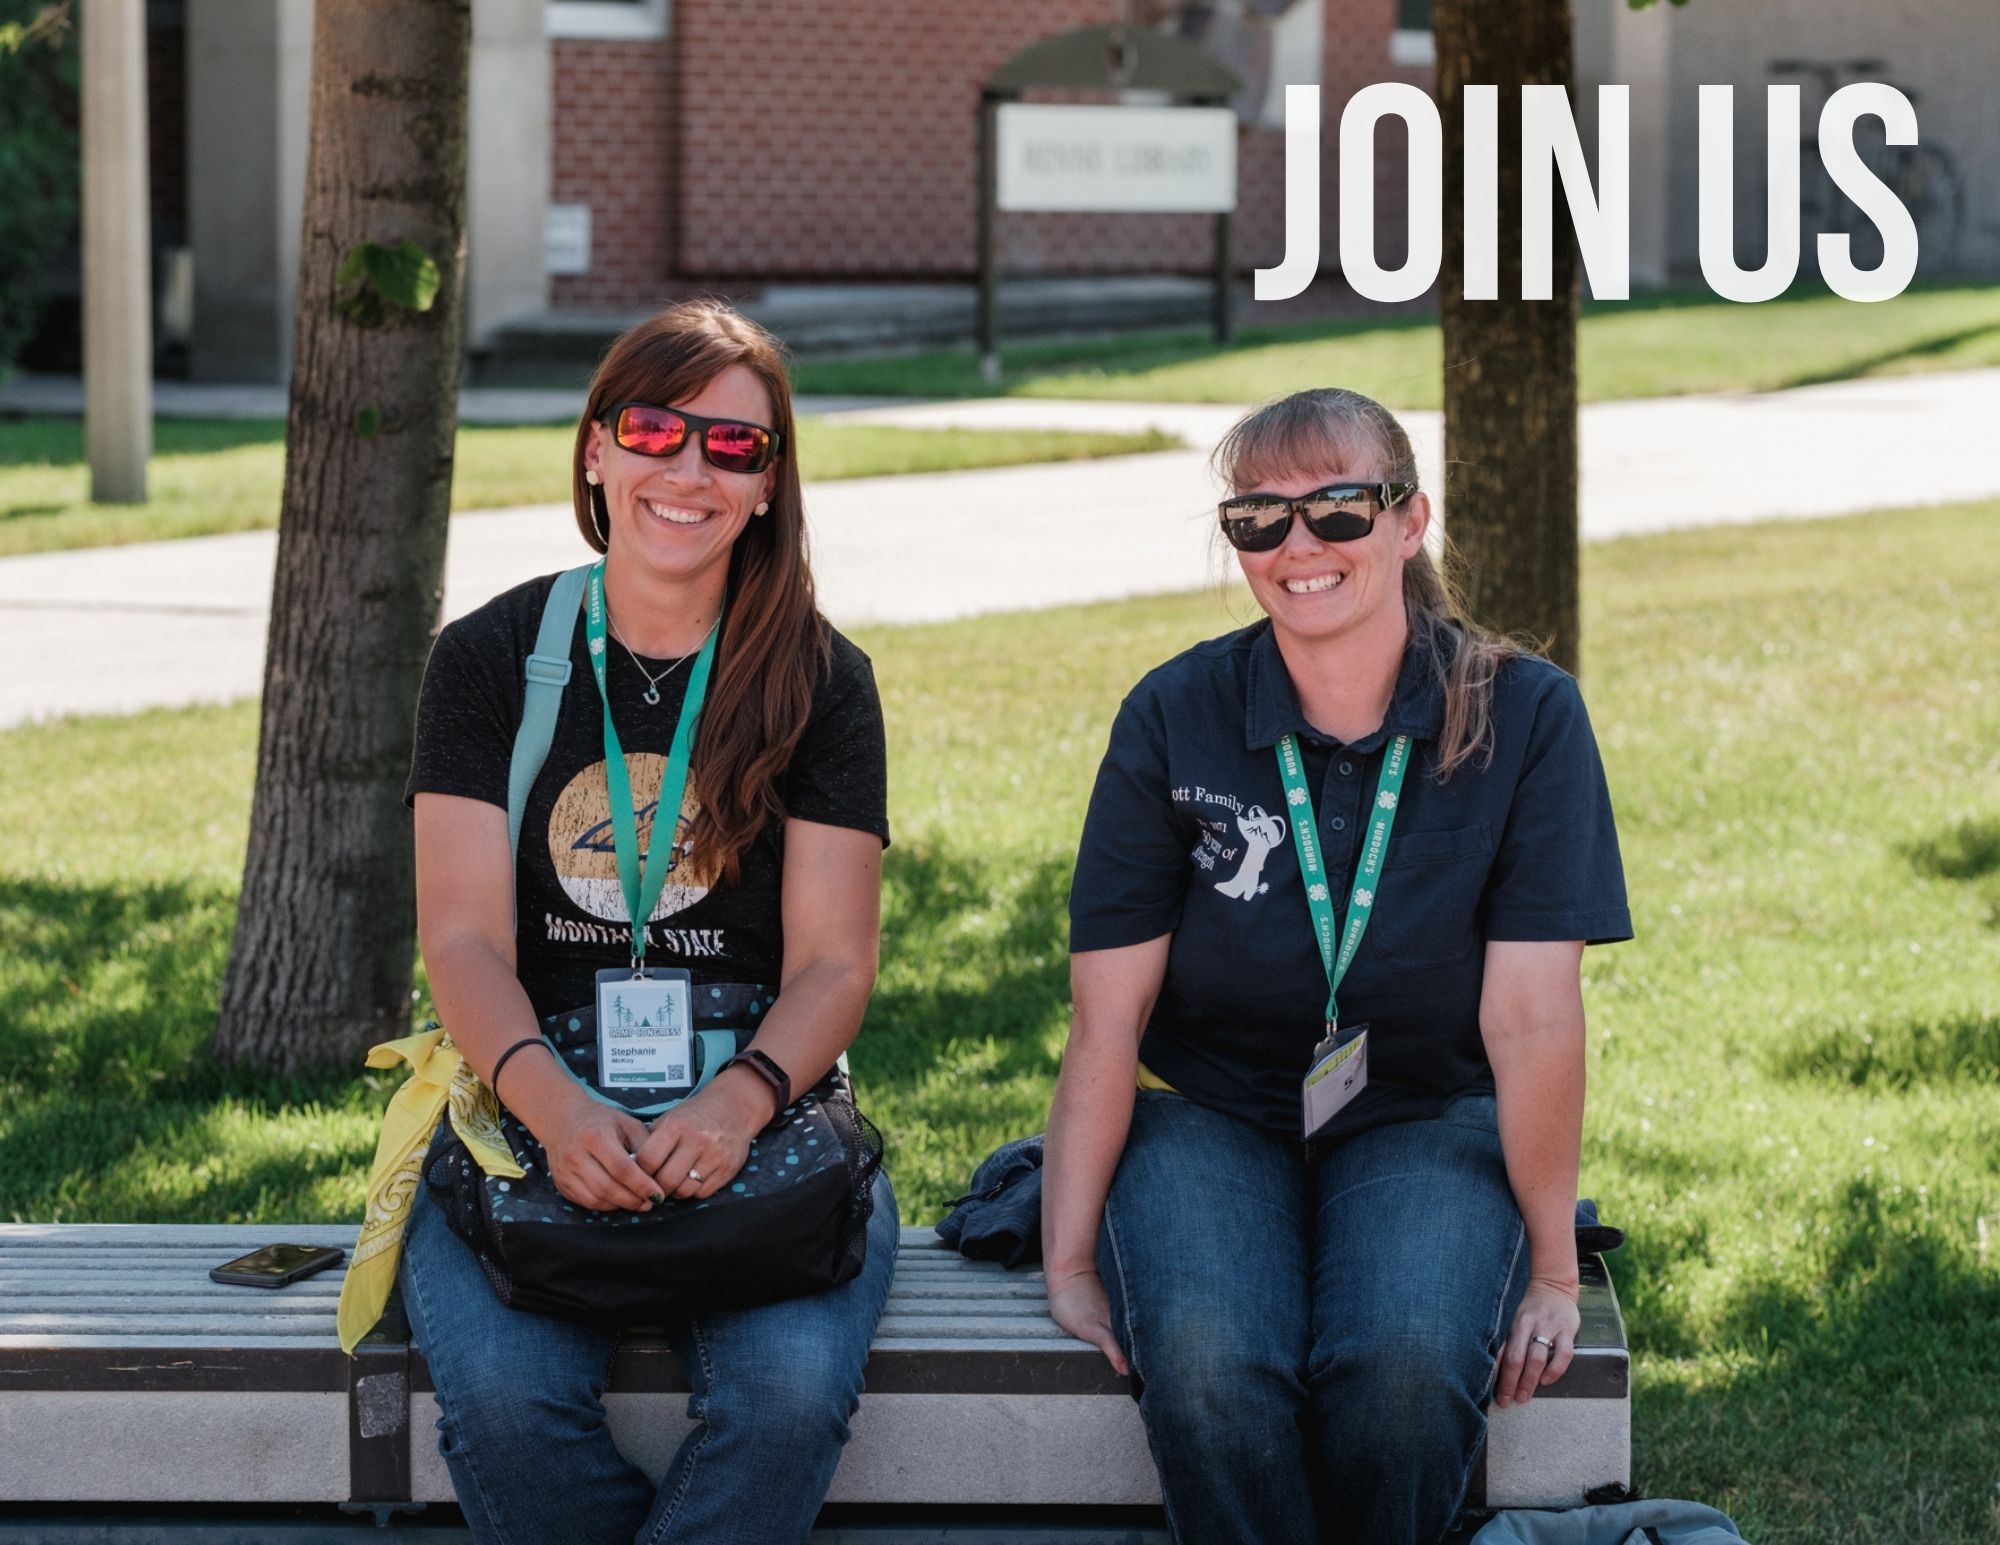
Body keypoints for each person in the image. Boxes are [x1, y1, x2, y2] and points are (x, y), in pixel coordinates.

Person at [1043, 387, 1631, 1545]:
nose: (1297, 546)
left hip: (1425, 1108)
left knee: (1402, 1366)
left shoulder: (1525, 714)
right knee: (1210, 1368)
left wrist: (1553, 1274)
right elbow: (1106, 1021)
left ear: (1409, 522)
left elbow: (1529, 1022)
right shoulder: (1173, 713)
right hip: (1209, 1108)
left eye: (1337, 509)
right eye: (1258, 519)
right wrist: (1065, 1257)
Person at [396, 300, 897, 1545]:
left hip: (758, 1101)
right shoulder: (490, 657)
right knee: (507, 1413)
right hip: (526, 1089)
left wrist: (737, 1102)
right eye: (653, 431)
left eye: (734, 447)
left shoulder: (823, 682)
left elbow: (835, 963)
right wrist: (553, 1108)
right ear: (594, 451)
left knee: (783, 1402)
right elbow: (459, 939)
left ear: (771, 483)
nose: (688, 470)